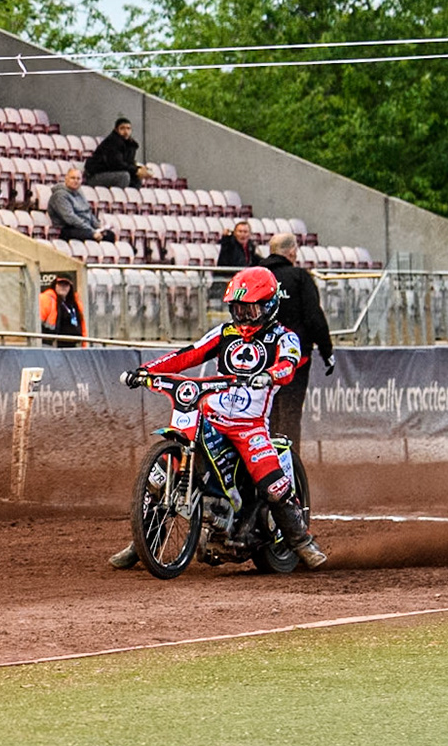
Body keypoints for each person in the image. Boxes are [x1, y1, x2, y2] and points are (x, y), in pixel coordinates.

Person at [118, 266, 327, 569]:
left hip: (250, 427)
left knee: (273, 486)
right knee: (160, 474)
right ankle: (143, 541)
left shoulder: (285, 337)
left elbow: (288, 366)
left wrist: (269, 376)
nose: (242, 317)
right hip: (211, 414)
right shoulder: (224, 333)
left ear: (269, 306)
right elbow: (187, 354)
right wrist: (147, 370)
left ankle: (302, 541)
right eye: (237, 309)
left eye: (249, 309)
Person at [261, 233, 334, 447]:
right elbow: (314, 317)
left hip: (262, 357)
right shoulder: (300, 277)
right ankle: (290, 469)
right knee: (290, 415)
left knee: (264, 414)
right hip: (294, 359)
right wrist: (327, 351)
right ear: (292, 251)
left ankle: (263, 468)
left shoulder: (257, 276)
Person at [47, 168, 115, 243]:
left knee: (109, 235)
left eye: (78, 179)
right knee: (94, 236)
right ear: (66, 179)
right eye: (73, 178)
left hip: (84, 227)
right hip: (68, 229)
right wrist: (91, 231)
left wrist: (98, 226)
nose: (76, 181)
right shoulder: (59, 195)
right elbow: (70, 218)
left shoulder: (79, 192)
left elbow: (88, 212)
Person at [84, 117, 148, 189]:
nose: (126, 131)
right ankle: (118, 198)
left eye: (128, 128)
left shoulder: (131, 145)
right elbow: (116, 165)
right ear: (116, 130)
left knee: (137, 178)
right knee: (124, 176)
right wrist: (136, 170)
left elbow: (129, 163)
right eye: (122, 128)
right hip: (96, 175)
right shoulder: (112, 142)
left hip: (112, 173)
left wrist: (140, 170)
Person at [213, 219, 259, 300]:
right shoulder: (230, 245)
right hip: (227, 283)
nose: (242, 235)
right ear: (234, 233)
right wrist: (226, 238)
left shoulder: (250, 247)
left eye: (245, 232)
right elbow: (225, 250)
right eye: (240, 231)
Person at [38, 275, 84, 346]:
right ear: (55, 285)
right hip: (52, 346)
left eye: (66, 284)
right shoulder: (46, 299)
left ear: (70, 287)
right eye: (60, 284)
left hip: (74, 347)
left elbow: (83, 328)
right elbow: (37, 324)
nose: (63, 287)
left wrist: (84, 347)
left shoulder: (75, 304)